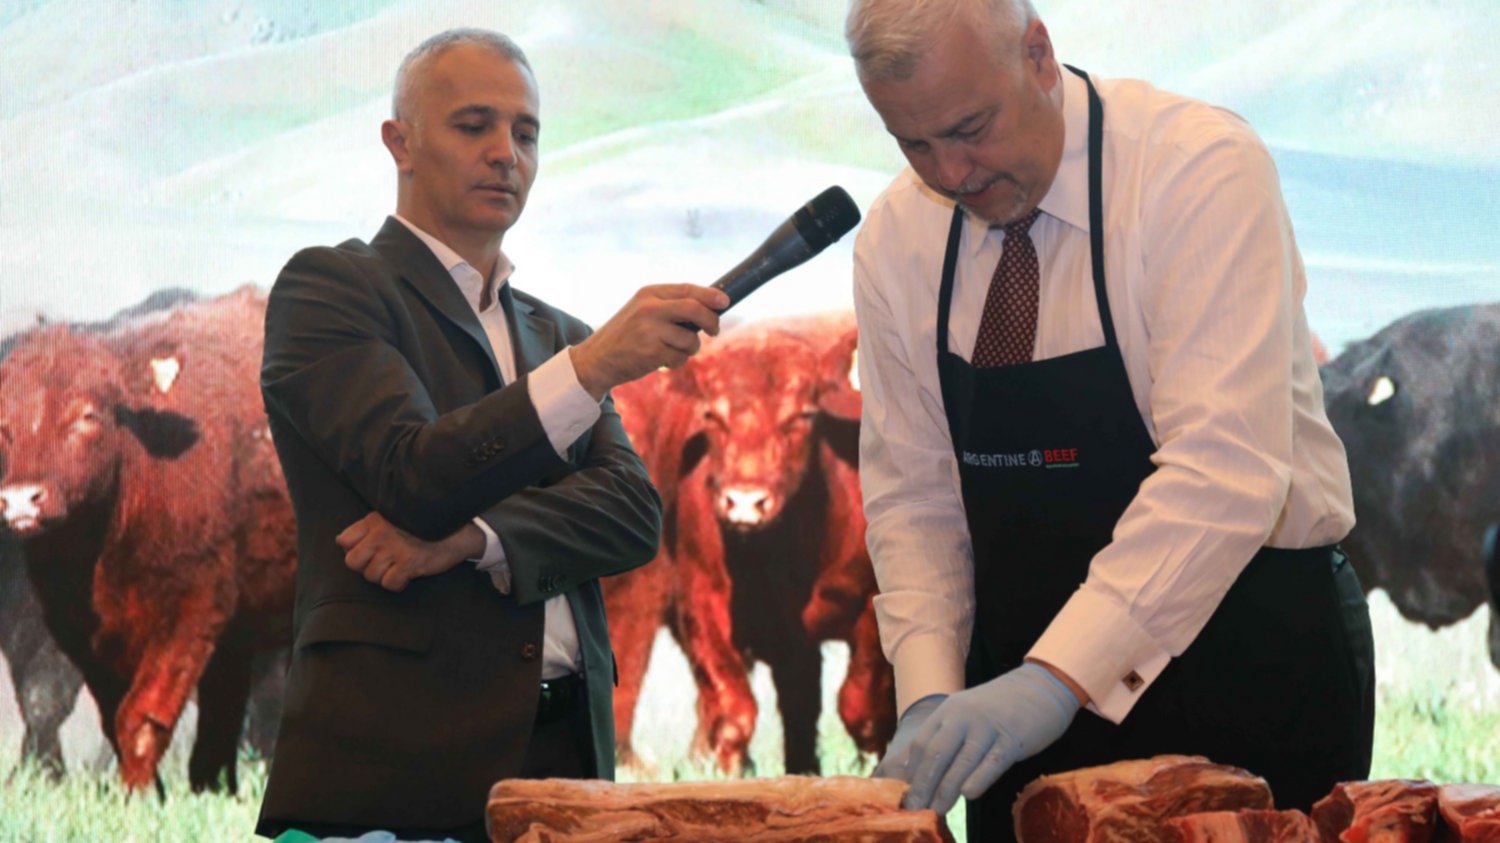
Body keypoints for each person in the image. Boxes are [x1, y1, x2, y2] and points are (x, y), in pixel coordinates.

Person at [844, 1, 1375, 838]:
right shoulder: (895, 239)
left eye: (969, 127)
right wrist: (934, 693)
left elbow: (1223, 467)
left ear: (1039, 54)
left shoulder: (1197, 170)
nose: (950, 172)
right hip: (1014, 688)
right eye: (914, 144)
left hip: (1245, 655)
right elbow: (914, 496)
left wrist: (1056, 681)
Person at [254, 29, 727, 843]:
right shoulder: (332, 288)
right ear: (398, 142)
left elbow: (630, 513)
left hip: (566, 763)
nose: (506, 153)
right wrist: (592, 369)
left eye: (526, 132)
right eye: (473, 125)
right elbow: (412, 471)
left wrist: (473, 539)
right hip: (393, 780)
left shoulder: (552, 332)